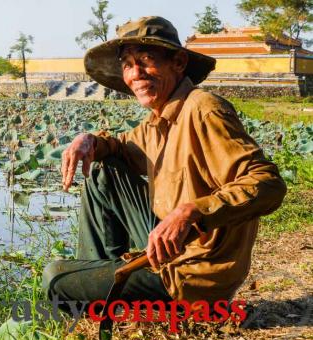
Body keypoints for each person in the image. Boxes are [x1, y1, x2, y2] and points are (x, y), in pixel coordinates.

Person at [42, 16, 287, 313]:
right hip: (168, 250)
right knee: (104, 169)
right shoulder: (158, 121)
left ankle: (98, 304)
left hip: (192, 274)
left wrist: (191, 211)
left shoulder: (204, 109)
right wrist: (88, 140)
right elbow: (119, 146)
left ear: (179, 62)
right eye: (128, 64)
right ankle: (106, 290)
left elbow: (268, 184)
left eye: (146, 60)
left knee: (56, 278)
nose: (136, 74)